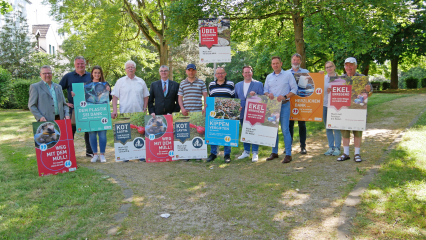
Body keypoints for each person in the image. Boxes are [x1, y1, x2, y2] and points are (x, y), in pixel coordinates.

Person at [111, 60, 150, 162]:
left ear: (135, 69)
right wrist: (115, 110)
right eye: (128, 67)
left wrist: (145, 109)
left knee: (139, 133)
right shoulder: (120, 81)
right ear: (125, 70)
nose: (130, 69)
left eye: (132, 67)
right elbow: (114, 96)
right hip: (125, 112)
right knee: (126, 134)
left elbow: (146, 96)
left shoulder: (141, 81)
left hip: (138, 112)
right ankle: (125, 155)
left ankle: (140, 154)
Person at [71, 66, 111, 163]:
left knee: (102, 134)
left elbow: (108, 99)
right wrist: (75, 94)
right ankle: (95, 154)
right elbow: (80, 98)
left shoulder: (105, 85)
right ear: (92, 73)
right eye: (95, 72)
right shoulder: (86, 85)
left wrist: (109, 92)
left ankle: (102, 155)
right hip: (90, 114)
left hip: (101, 113)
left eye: (99, 73)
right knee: (92, 134)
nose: (97, 74)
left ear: (101, 74)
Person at [336, 57, 373, 162]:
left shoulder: (362, 78)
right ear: (344, 67)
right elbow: (334, 94)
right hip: (344, 110)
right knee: (345, 133)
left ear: (355, 66)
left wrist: (368, 91)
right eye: (346, 65)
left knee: (357, 133)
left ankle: (357, 154)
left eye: (351, 65)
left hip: (358, 110)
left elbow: (370, 93)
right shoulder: (340, 79)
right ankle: (346, 153)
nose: (349, 67)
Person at [264, 56, 298, 163]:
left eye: (277, 63)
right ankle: (274, 152)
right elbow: (265, 90)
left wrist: (285, 96)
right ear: (271, 65)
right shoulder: (269, 77)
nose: (275, 65)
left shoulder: (288, 75)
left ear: (281, 63)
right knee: (273, 130)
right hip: (272, 106)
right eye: (273, 63)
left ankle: (288, 154)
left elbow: (294, 89)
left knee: (285, 130)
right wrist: (268, 94)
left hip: (284, 105)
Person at [59, 56, 93, 157]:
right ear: (74, 65)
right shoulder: (68, 76)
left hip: (87, 109)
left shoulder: (90, 76)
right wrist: (65, 103)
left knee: (88, 131)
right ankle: (69, 153)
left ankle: (89, 151)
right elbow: (58, 90)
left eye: (82, 63)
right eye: (78, 64)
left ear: (85, 64)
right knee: (71, 131)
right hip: (73, 109)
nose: (80, 65)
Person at [177, 64, 208, 161]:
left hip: (198, 111)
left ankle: (198, 154)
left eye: (193, 70)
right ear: (186, 71)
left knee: (199, 133)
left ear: (195, 71)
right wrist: (182, 108)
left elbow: (205, 95)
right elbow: (180, 97)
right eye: (189, 70)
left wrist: (205, 107)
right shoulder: (182, 83)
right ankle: (187, 155)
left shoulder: (201, 82)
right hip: (187, 112)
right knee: (188, 133)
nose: (191, 72)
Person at [234, 66, 264, 162]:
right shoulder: (238, 85)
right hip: (242, 111)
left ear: (252, 72)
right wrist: (237, 106)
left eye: (249, 72)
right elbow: (236, 98)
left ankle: (255, 152)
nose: (247, 74)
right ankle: (246, 152)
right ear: (242, 74)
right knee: (245, 131)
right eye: (245, 72)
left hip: (254, 111)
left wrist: (255, 95)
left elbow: (263, 98)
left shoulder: (258, 84)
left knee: (254, 131)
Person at [206, 67, 235, 163]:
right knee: (214, 132)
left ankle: (227, 154)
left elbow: (234, 98)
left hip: (227, 113)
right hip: (215, 113)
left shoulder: (231, 84)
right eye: (218, 73)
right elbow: (210, 98)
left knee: (227, 133)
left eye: (222, 73)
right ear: (215, 75)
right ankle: (213, 153)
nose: (220, 75)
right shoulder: (211, 84)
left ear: (225, 73)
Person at [288, 53, 309, 154]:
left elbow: (313, 83)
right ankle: (289, 147)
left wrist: (321, 74)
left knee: (302, 125)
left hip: (301, 102)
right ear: (291, 61)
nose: (295, 61)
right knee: (289, 126)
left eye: (297, 60)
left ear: (300, 61)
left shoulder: (306, 72)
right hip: (290, 102)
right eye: (294, 59)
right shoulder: (286, 73)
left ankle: (303, 147)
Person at [323, 61, 342, 156]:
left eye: (330, 66)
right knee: (328, 127)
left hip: (335, 106)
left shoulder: (340, 79)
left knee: (336, 127)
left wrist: (333, 90)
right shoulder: (323, 78)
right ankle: (331, 147)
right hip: (324, 105)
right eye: (327, 67)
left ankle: (338, 148)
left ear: (334, 67)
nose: (329, 68)